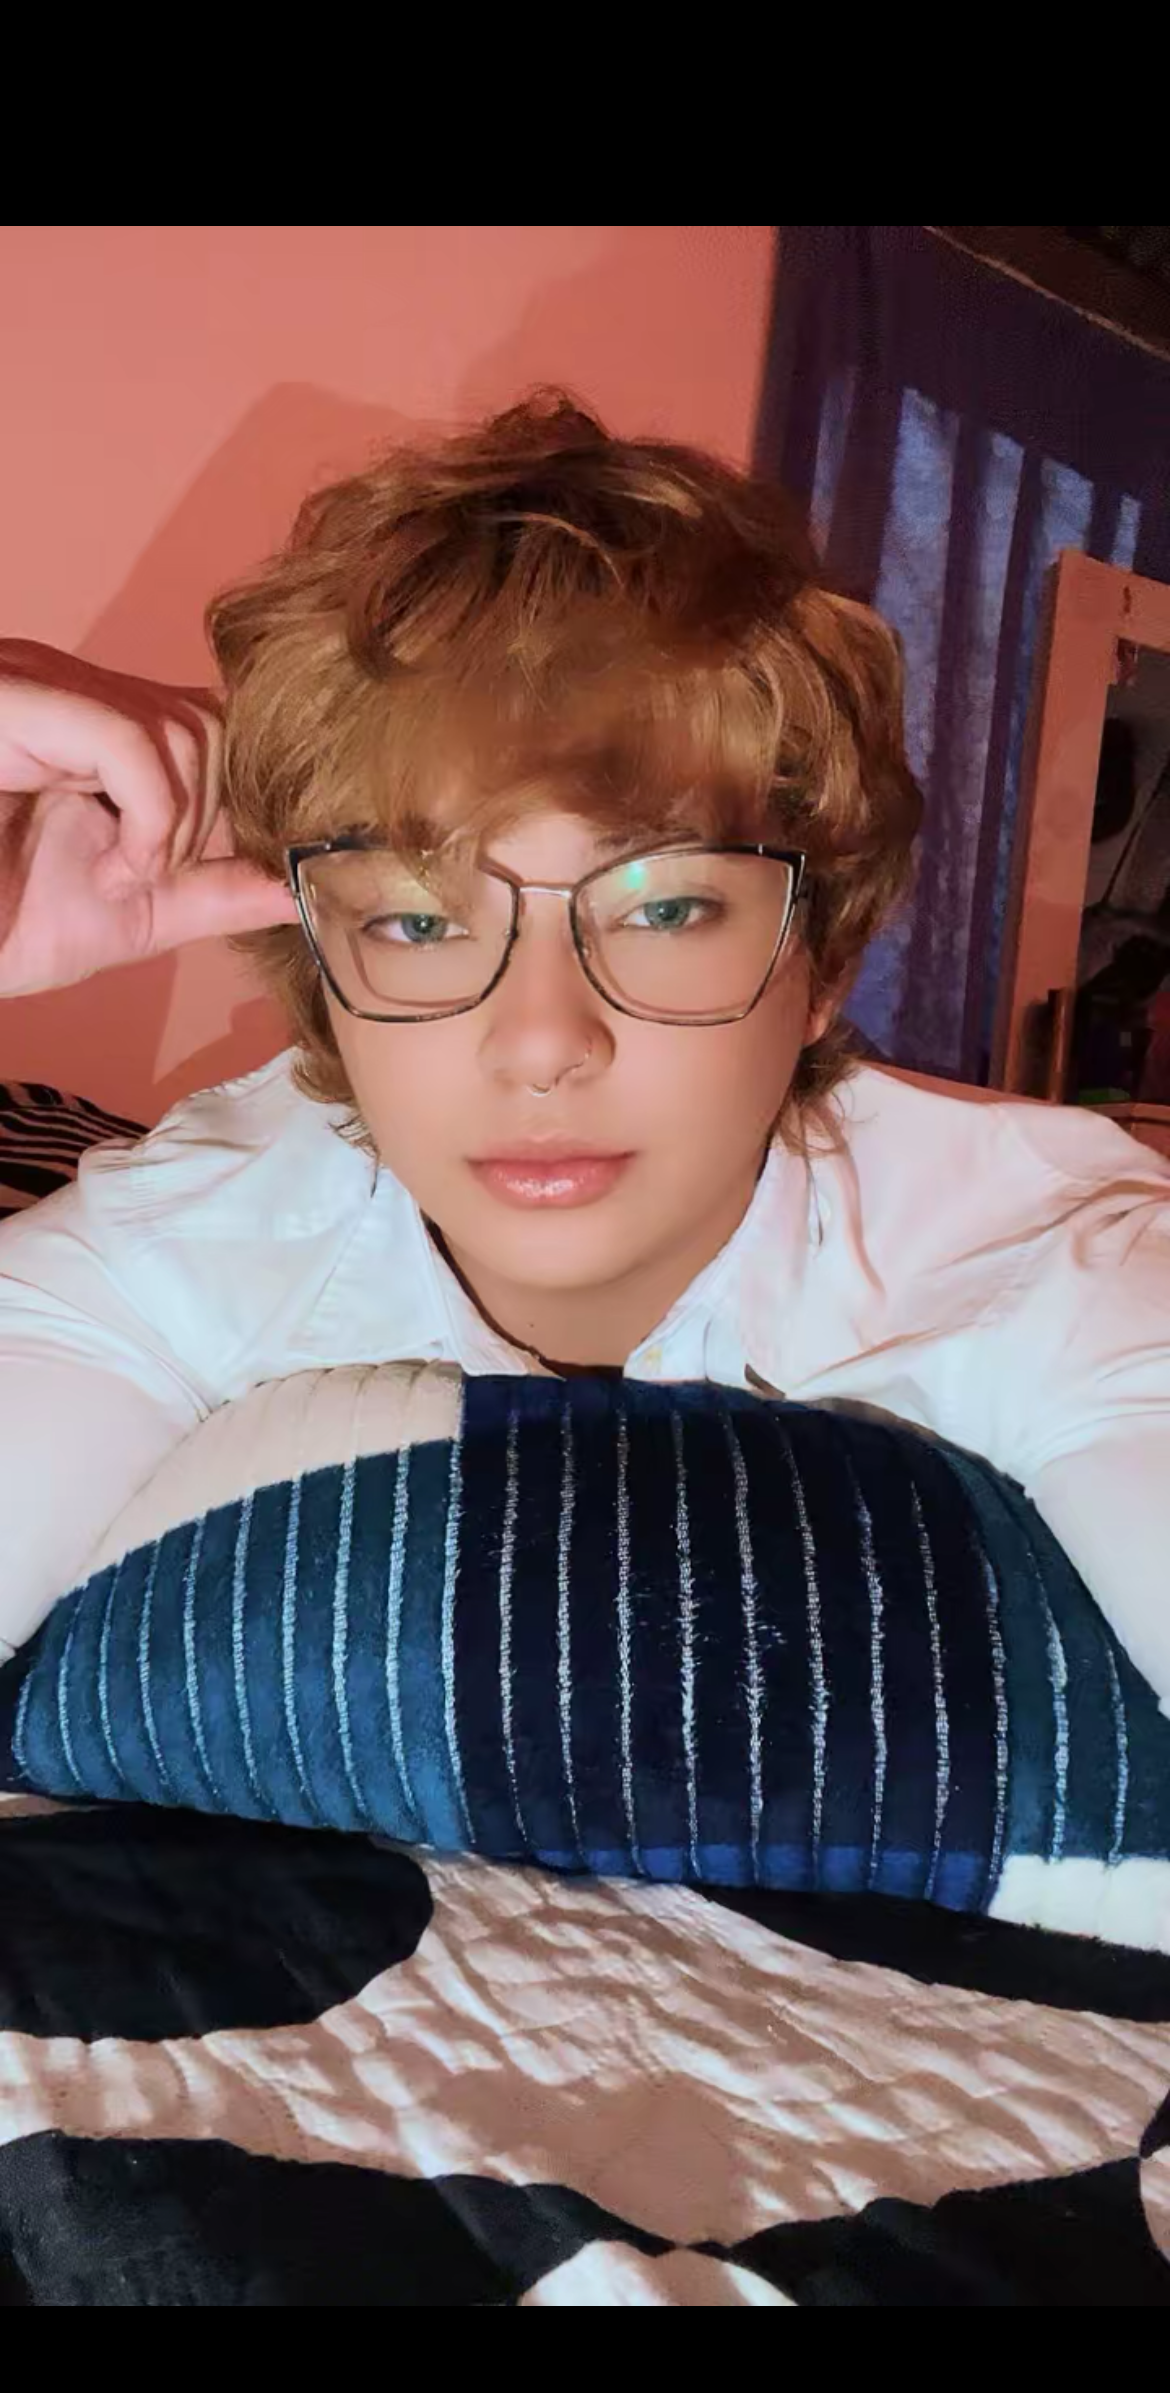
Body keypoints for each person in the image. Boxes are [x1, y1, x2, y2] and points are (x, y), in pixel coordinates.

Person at [1, 393, 1168, 1714]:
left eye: (664, 910)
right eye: (419, 920)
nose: (542, 1044)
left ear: (826, 957)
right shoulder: (198, 1232)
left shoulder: (1048, 1264)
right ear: (323, 964)